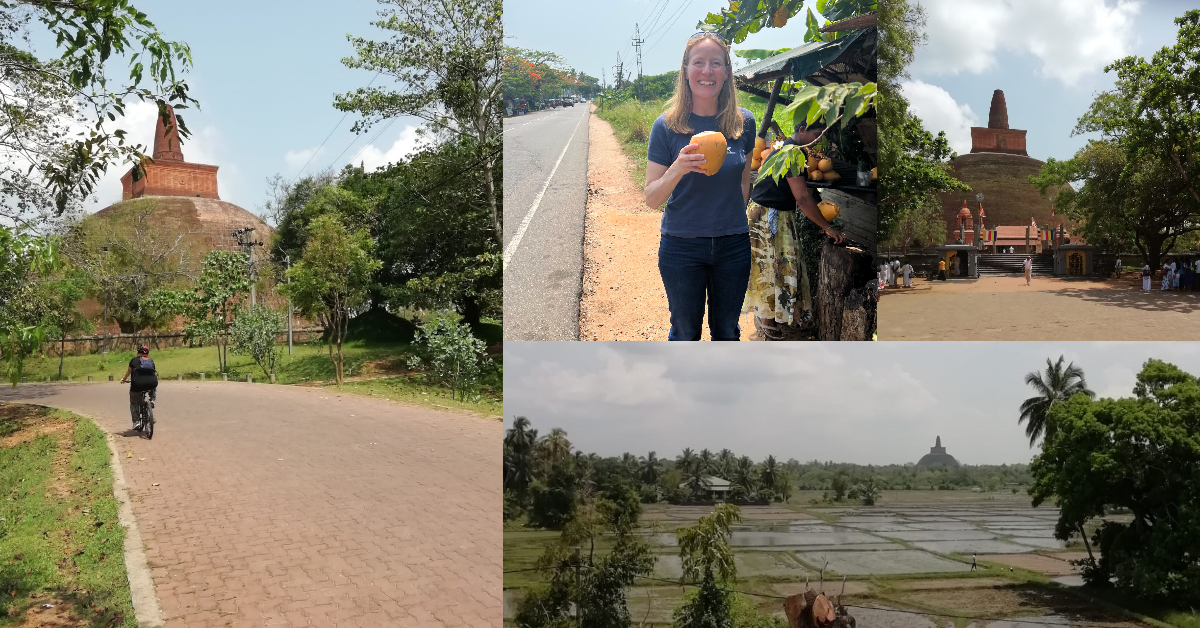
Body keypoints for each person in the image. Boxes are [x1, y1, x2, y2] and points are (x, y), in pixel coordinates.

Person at [646, 31, 756, 341]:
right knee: (685, 332)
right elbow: (652, 198)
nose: (706, 71)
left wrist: (730, 217)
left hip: (733, 245)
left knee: (727, 332)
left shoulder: (743, 122)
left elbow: (744, 180)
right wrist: (678, 168)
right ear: (685, 70)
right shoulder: (666, 126)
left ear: (726, 72)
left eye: (715, 63)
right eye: (698, 63)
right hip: (682, 246)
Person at [743, 121, 844, 339]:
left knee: (770, 267)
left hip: (764, 213)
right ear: (801, 130)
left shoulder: (785, 150)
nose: (818, 139)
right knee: (772, 269)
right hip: (769, 217)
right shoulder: (792, 156)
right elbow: (802, 197)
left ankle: (768, 318)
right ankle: (768, 324)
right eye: (816, 134)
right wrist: (827, 226)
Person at [120, 345, 158, 431]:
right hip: (151, 384)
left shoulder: (134, 360)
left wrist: (123, 379)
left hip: (137, 385)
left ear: (138, 353)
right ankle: (152, 400)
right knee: (153, 385)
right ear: (147, 353)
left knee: (134, 403)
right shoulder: (151, 361)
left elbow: (128, 372)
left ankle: (136, 421)